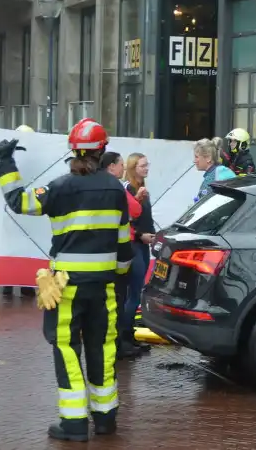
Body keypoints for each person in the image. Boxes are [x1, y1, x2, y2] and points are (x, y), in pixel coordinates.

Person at [0, 118, 132, 442]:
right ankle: (105, 418)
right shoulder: (116, 190)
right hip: (103, 287)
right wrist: (120, 275)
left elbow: (19, 201)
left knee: (67, 347)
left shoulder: (60, 187)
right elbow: (124, 244)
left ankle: (73, 423)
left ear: (74, 151)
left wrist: (5, 162)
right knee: (104, 347)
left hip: (66, 285)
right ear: (103, 150)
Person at [101, 152, 146, 361]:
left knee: (119, 298)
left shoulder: (101, 185)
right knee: (124, 297)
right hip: (123, 249)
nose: (122, 169)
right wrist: (136, 202)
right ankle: (121, 341)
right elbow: (135, 210)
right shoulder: (117, 187)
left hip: (109, 251)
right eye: (120, 165)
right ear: (111, 167)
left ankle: (120, 340)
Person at [121, 153, 155, 357]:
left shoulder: (141, 189)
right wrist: (141, 235)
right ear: (133, 168)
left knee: (135, 292)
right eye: (143, 165)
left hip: (142, 244)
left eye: (147, 164)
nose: (146, 168)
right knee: (133, 293)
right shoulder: (129, 189)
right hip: (134, 245)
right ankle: (124, 337)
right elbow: (127, 218)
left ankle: (129, 334)